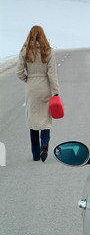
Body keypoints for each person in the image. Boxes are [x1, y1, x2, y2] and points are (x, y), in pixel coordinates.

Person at [16, 26, 60, 162]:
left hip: (31, 88)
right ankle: (45, 145)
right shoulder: (48, 52)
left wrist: (28, 79)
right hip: (45, 87)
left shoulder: (25, 51)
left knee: (33, 121)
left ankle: (35, 155)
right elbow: (52, 74)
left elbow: (18, 72)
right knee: (45, 120)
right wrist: (56, 92)